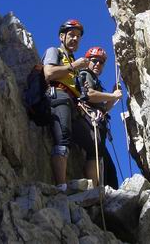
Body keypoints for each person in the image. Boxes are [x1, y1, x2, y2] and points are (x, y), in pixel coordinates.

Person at [43, 19, 89, 192]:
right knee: (62, 139)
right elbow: (48, 73)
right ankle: (60, 188)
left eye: (78, 36)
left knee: (90, 144)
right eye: (71, 35)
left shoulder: (71, 61)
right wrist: (73, 66)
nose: (75, 39)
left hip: (72, 103)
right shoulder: (54, 51)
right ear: (62, 36)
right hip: (59, 96)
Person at [73, 46, 122, 187]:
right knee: (99, 157)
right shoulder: (85, 74)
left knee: (109, 168)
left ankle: (102, 194)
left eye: (101, 62)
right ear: (88, 61)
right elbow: (90, 95)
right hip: (89, 121)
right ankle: (95, 191)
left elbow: (104, 109)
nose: (97, 64)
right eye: (94, 61)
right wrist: (113, 95)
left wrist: (113, 96)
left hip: (98, 122)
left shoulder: (95, 80)